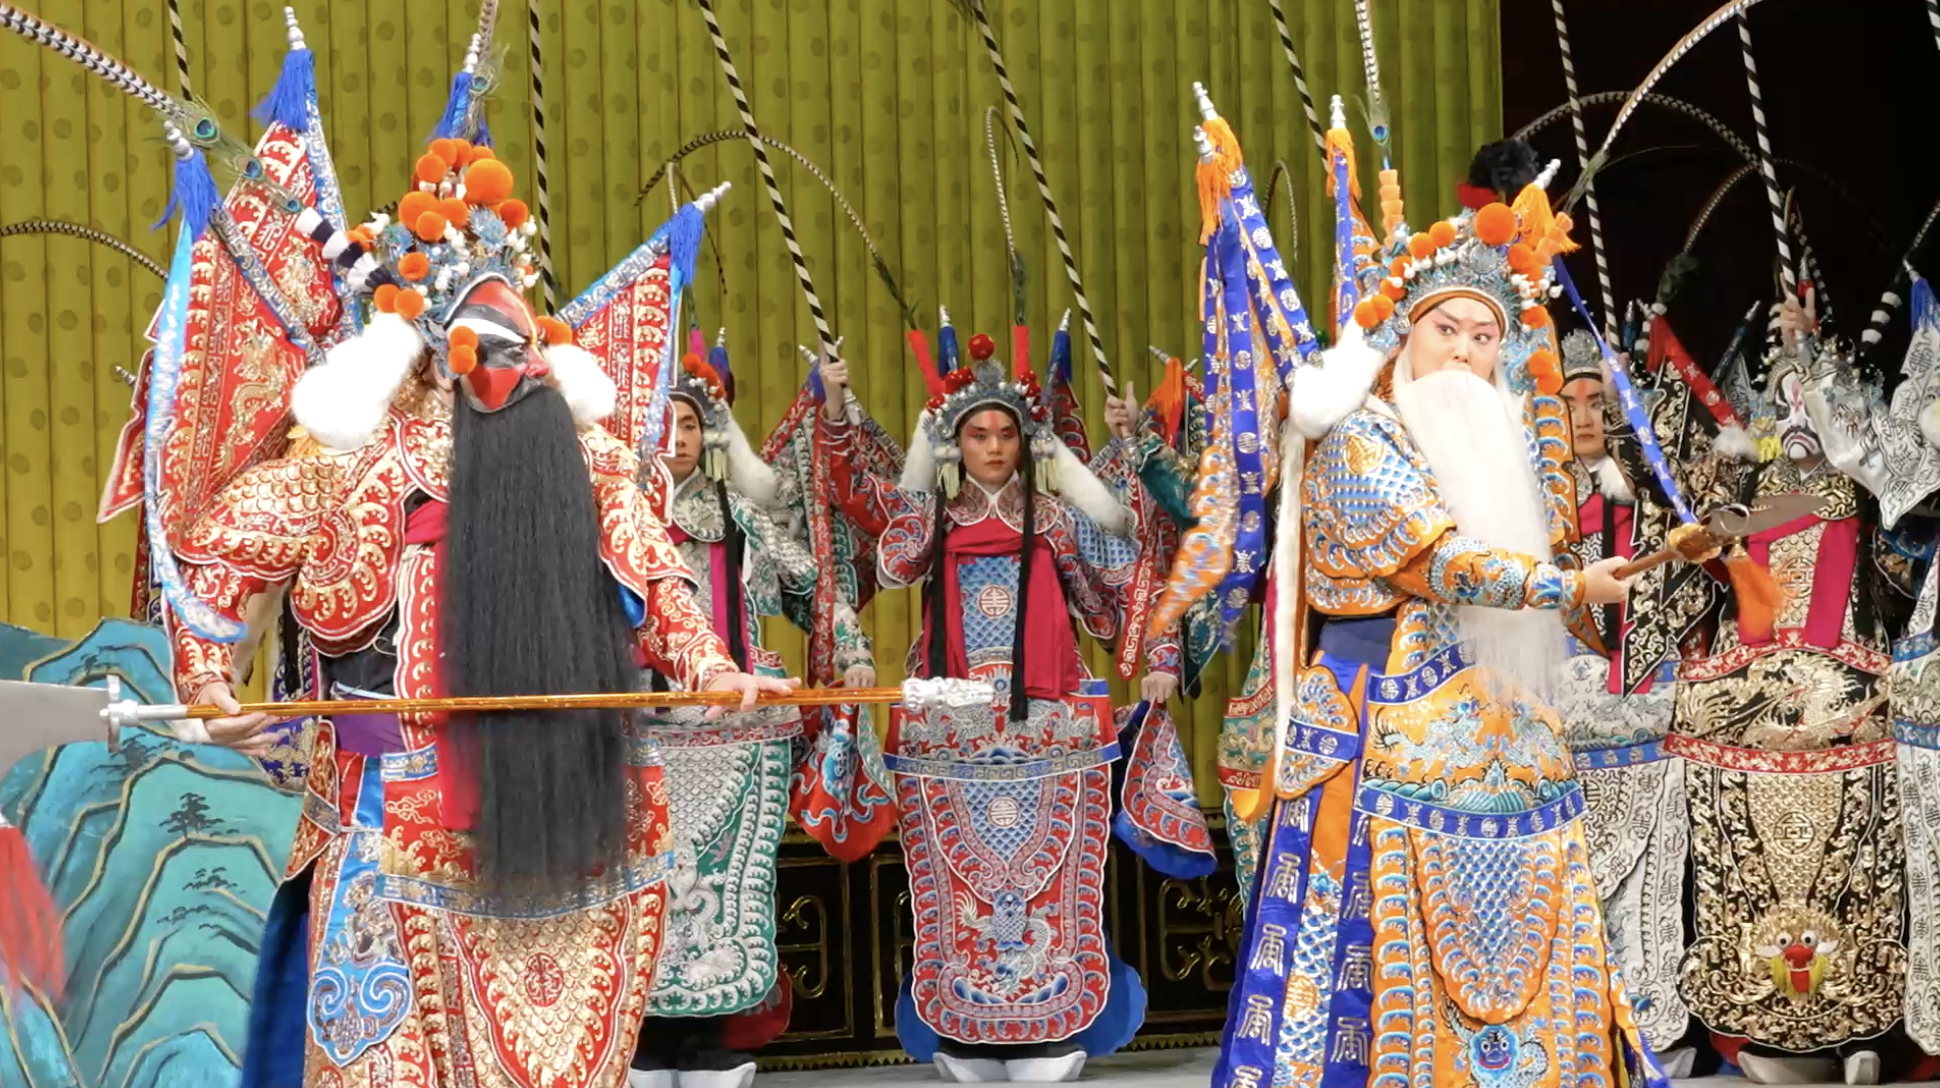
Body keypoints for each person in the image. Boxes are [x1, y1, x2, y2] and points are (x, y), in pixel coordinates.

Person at [154, 117, 791, 1088]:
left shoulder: (584, 458)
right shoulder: (346, 466)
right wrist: (206, 682)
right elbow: (218, 568)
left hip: (567, 806)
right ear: (415, 351)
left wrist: (707, 665)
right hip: (386, 810)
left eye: (508, 342)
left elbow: (656, 577)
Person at [1210, 133, 1660, 1088]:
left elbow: (1539, 586)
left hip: (1499, 743)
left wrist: (1603, 574)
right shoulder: (1358, 437)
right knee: (1357, 976)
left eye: (1484, 335)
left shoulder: (1507, 452)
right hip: (1375, 734)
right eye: (1445, 329)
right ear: (1405, 335)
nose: (1464, 351)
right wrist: (1567, 587)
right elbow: (1443, 566)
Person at [816, 324, 1148, 1083]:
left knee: (1051, 877)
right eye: (975, 435)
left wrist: (1126, 460)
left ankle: (1043, 1026)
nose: (992, 448)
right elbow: (895, 565)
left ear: (1023, 441)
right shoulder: (938, 519)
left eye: (1005, 434)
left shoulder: (1057, 520)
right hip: (951, 723)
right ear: (954, 444)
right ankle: (968, 1030)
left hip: (1048, 722)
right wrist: (842, 413)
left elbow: (1121, 576)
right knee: (952, 881)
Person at [1670, 288, 1911, 1086]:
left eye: (1807, 397)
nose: (1793, 408)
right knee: (1748, 869)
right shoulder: (1749, 502)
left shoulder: (1854, 493)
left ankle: (1855, 1030)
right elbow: (1714, 544)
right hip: (1754, 706)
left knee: (1855, 869)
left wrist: (1814, 355)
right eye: (1780, 397)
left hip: (1845, 702)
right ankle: (1760, 1025)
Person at [628, 339, 874, 1088]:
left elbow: (817, 585)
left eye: (693, 424)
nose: (679, 438)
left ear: (712, 435)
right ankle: (639, 1036)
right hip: (633, 729)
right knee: (640, 889)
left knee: (722, 895)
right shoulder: (617, 518)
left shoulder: (738, 517)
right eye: (665, 421)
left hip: (732, 739)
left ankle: (710, 1038)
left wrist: (851, 650)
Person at [1551, 328, 1696, 1068]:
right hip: (1560, 736)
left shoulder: (1650, 500)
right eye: (1568, 402)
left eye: (1597, 402)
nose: (1582, 417)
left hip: (1644, 722)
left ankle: (1654, 1031)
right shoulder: (1535, 504)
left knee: (1648, 896)